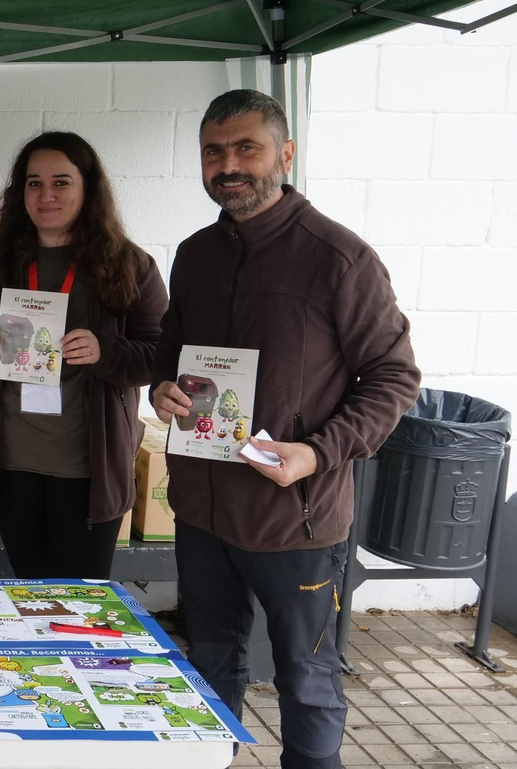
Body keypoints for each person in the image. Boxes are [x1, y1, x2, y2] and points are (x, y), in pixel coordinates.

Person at [152, 89, 419, 769]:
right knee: (209, 664)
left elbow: (394, 377)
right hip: (203, 511)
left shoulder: (339, 258)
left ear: (286, 154)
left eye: (247, 148)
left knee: (307, 679)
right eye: (214, 152)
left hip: (294, 519)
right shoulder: (195, 255)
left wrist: (318, 452)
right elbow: (173, 353)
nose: (228, 165)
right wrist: (163, 390)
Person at [0, 131, 167, 579]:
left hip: (87, 467)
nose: (46, 194)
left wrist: (106, 350)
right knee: (28, 591)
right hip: (12, 462)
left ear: (88, 188)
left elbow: (160, 356)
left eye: (61, 182)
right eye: (33, 183)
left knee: (81, 604)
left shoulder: (129, 265)